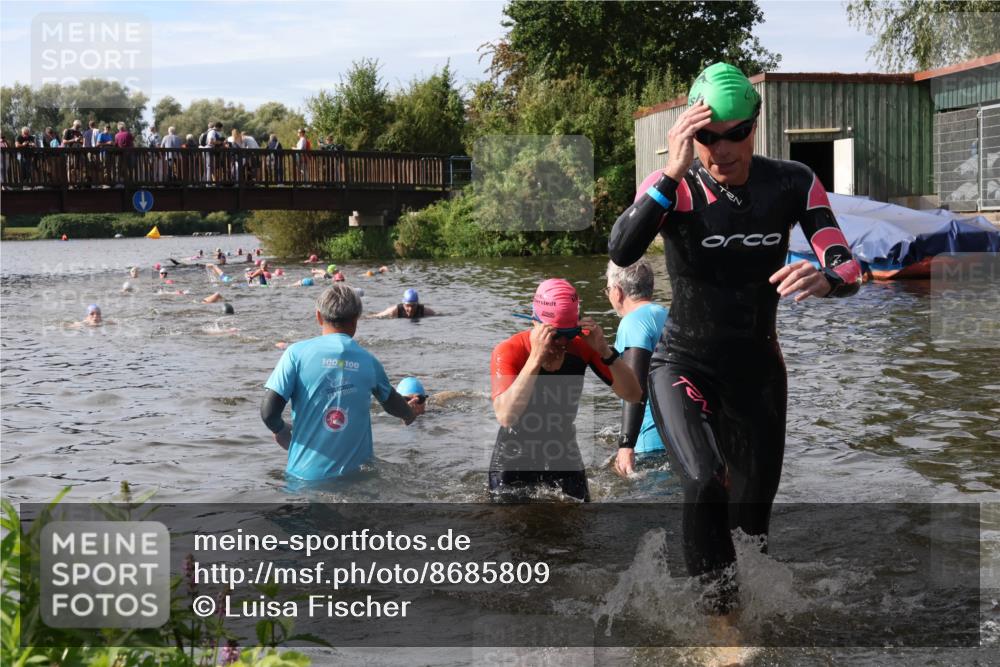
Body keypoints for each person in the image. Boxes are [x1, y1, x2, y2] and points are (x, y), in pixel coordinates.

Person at [608, 62, 862, 616]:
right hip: (682, 364)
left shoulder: (792, 181)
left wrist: (827, 277)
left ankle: (745, 615)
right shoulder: (672, 188)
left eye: (735, 134)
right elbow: (622, 249)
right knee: (704, 480)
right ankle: (720, 629)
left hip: (757, 376)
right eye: (706, 136)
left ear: (755, 125)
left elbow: (847, 264)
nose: (721, 149)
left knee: (751, 532)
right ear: (689, 136)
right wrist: (672, 172)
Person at [488, 279, 641, 502]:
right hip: (513, 458)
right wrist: (535, 359)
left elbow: (633, 394)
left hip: (563, 453)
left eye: (569, 334)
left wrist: (604, 351)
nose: (561, 343)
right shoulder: (510, 351)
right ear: (535, 322)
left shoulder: (581, 346)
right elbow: (505, 416)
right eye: (553, 334)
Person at [260, 284, 425, 481]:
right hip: (358, 479)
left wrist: (282, 430)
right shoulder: (369, 362)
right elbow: (394, 405)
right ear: (356, 320)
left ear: (319, 316)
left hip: (304, 478)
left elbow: (268, 413)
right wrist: (410, 414)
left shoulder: (295, 354)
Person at [605, 259, 670, 476]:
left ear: (617, 291)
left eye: (607, 289)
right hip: (680, 436)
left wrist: (626, 444)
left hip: (651, 444)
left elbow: (635, 386)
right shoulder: (666, 315)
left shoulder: (633, 322)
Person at [371, 289, 435, 319]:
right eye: (407, 306)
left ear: (417, 304)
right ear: (403, 304)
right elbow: (375, 316)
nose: (410, 309)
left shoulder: (426, 311)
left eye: (413, 306)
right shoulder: (393, 311)